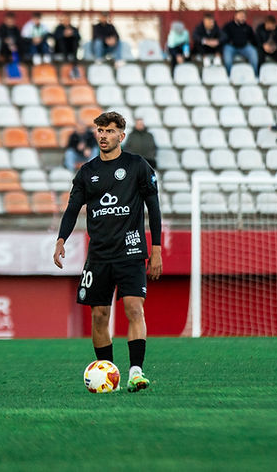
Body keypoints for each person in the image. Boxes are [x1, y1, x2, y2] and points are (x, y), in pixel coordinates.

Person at [53, 111, 162, 393]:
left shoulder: (138, 166)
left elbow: (154, 207)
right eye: (100, 130)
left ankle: (136, 371)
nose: (103, 135)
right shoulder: (87, 172)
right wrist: (61, 239)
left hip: (132, 249)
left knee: (133, 308)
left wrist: (157, 248)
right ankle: (107, 372)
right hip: (99, 254)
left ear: (121, 136)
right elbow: (72, 208)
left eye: (110, 131)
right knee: (99, 315)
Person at [220, 10, 258, 75]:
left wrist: (250, 43)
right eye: (240, 16)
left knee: (253, 53)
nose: (242, 18)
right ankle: (229, 75)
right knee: (227, 59)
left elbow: (253, 39)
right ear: (235, 16)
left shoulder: (248, 27)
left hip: (244, 47)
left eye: (244, 16)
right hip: (231, 47)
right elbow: (222, 38)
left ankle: (254, 75)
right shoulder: (228, 26)